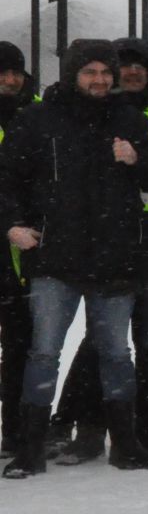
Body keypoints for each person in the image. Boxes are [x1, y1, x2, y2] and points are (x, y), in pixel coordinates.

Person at [0, 40, 148, 477]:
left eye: (105, 72)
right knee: (43, 353)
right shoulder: (37, 119)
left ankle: (125, 445)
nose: (99, 80)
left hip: (115, 260)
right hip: (54, 260)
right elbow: (6, 180)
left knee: (117, 353)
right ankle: (30, 449)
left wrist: (138, 157)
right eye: (89, 72)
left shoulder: (129, 118)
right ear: (71, 75)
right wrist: (11, 226)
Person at [48, 38, 148, 463]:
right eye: (126, 66)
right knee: (103, 343)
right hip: (107, 246)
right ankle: (84, 425)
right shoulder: (93, 115)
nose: (134, 73)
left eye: (142, 67)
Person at [0, 41, 40, 457]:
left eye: (16, 72)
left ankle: (16, 430)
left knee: (22, 345)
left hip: (26, 246)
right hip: (11, 237)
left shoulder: (40, 114)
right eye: (3, 73)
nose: (10, 80)